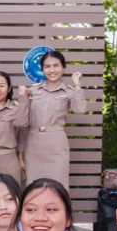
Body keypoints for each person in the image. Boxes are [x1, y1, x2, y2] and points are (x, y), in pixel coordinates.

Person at [14, 50, 85, 186]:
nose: (51, 70)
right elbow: (23, 124)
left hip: (57, 146)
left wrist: (77, 84)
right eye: (47, 66)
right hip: (33, 146)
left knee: (58, 187)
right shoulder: (32, 91)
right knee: (33, 187)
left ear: (63, 68)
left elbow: (80, 109)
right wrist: (20, 153)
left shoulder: (69, 91)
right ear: (42, 69)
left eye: (56, 65)